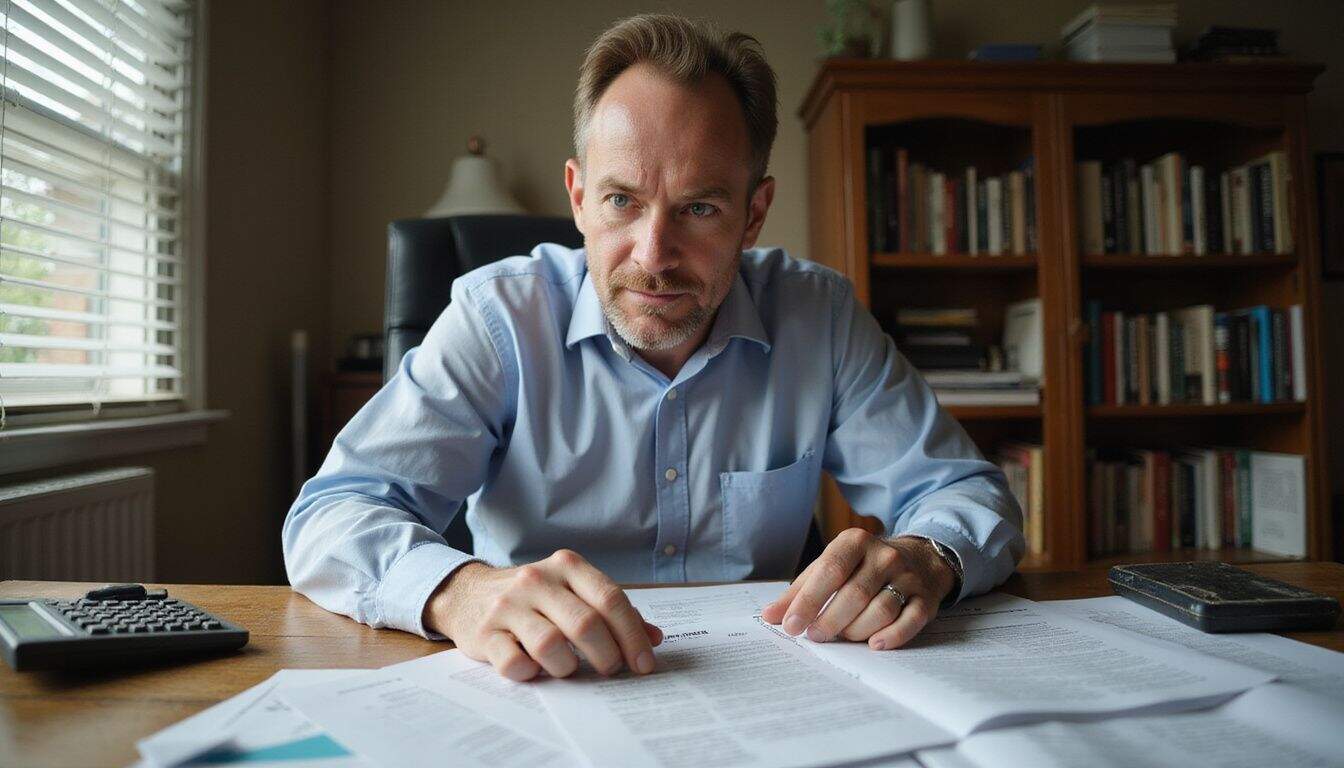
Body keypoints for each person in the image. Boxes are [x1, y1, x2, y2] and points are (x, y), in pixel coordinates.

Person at [284, 13, 1024, 682]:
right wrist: (460, 592)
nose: (654, 253)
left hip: (766, 694)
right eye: (621, 201)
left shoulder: (817, 316)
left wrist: (929, 556)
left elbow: (965, 493)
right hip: (536, 691)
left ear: (753, 212)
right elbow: (333, 514)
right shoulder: (498, 318)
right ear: (578, 199)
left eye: (700, 207)